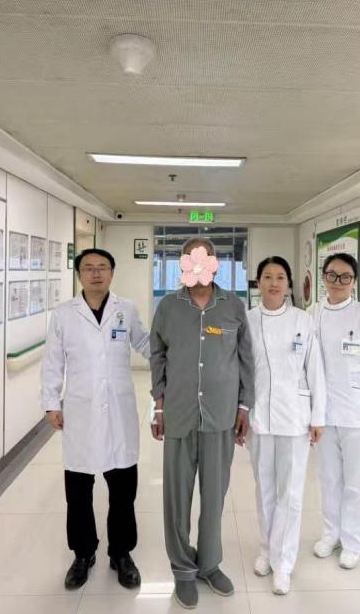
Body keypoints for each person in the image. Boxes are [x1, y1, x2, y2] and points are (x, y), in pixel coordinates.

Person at [150, 237, 254, 610]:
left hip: (221, 415)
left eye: (205, 256)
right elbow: (157, 357)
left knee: (214, 495)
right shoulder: (168, 307)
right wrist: (158, 408)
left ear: (214, 262)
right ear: (183, 263)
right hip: (179, 414)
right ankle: (182, 568)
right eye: (191, 257)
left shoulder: (233, 306)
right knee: (177, 496)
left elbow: (246, 360)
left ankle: (209, 564)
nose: (198, 263)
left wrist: (244, 406)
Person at [40, 248, 150, 590]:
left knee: (123, 491)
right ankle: (83, 553)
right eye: (88, 268)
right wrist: (51, 402)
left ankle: (121, 553)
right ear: (79, 275)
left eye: (102, 267)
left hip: (118, 411)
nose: (96, 273)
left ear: (112, 273)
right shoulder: (63, 314)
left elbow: (146, 344)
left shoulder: (126, 309)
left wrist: (178, 353)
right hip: (81, 412)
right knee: (78, 492)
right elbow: (53, 361)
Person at [246, 256, 326, 595]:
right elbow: (240, 370)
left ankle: (284, 563)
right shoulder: (247, 319)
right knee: (264, 489)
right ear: (258, 283)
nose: (274, 283)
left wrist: (318, 417)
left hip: (295, 417)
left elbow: (315, 369)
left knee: (290, 493)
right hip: (259, 417)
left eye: (280, 277)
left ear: (289, 284)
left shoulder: (302, 320)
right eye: (267, 277)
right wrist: (240, 413)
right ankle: (267, 550)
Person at [310, 252, 360, 569]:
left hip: (358, 413)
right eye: (332, 275)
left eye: (345, 276)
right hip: (324, 413)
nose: (338, 281)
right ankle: (331, 534)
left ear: (354, 281)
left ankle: (353, 541)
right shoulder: (313, 313)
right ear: (324, 277)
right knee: (329, 478)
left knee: (357, 482)